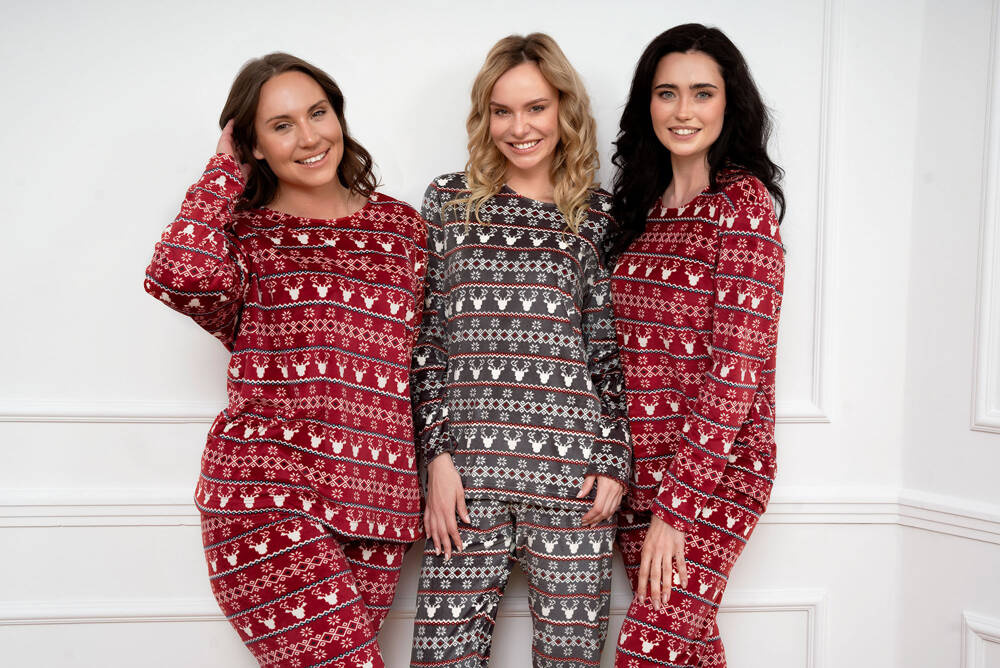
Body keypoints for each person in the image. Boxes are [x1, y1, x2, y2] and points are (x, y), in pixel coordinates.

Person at [143, 53, 427, 668]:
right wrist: (222, 172)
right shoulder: (243, 235)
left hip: (378, 505)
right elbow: (177, 273)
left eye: (318, 113)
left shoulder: (403, 229)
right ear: (254, 146)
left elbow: (426, 366)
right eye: (281, 125)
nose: (309, 137)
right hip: (266, 494)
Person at [409, 33, 631, 668]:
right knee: (442, 658)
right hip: (466, 479)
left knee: (570, 660)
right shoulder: (448, 202)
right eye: (501, 111)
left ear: (564, 109)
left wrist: (614, 460)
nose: (519, 127)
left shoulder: (598, 216)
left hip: (573, 480)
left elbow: (609, 353)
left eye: (536, 107)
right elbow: (427, 344)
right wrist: (436, 459)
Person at [608, 24, 786, 667]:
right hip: (639, 471)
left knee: (649, 650)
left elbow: (736, 371)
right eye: (667, 93)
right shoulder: (640, 209)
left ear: (729, 103)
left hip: (715, 473)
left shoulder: (742, 207)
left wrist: (676, 510)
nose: (683, 111)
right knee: (687, 650)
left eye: (702, 93)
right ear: (647, 103)